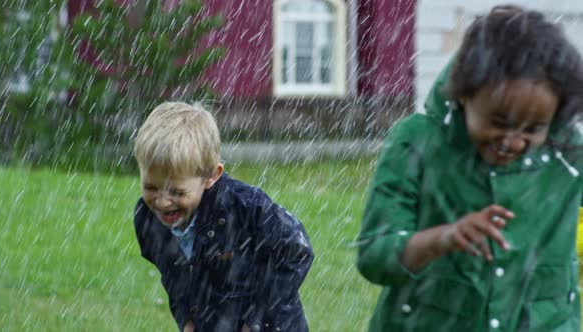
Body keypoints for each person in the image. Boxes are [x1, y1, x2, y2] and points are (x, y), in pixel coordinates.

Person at [357, 5, 583, 331]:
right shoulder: (417, 143)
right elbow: (374, 256)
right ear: (463, 94)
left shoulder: (567, 154)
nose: (513, 142)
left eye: (533, 129)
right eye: (499, 122)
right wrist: (443, 238)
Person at [132, 102, 314, 332]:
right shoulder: (148, 221)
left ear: (211, 176)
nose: (162, 202)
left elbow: (297, 251)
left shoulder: (247, 208)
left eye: (177, 192)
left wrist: (256, 321)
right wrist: (185, 318)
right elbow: (173, 275)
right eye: (151, 187)